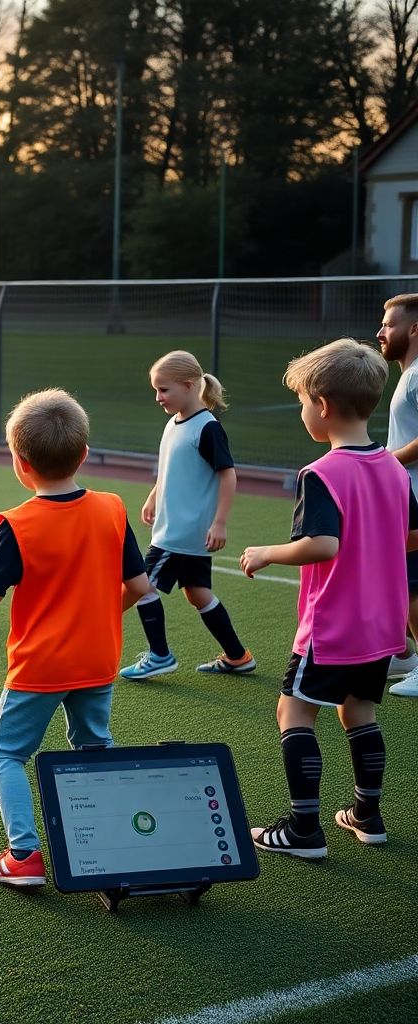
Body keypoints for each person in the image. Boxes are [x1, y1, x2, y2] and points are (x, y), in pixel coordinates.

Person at [241, 338, 418, 858]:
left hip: (333, 627)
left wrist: (267, 552)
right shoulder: (392, 466)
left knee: (292, 712)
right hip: (381, 627)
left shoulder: (321, 473)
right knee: (359, 711)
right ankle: (367, 815)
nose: (302, 411)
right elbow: (412, 535)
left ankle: (303, 830)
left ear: (321, 405)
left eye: (301, 402)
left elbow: (323, 544)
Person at [0, 388, 150, 886]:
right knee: (94, 747)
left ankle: (24, 855)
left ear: (20, 464)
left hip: (41, 665)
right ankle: (118, 843)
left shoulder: (18, 525)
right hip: (98, 659)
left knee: (7, 754)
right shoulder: (112, 508)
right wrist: (99, 615)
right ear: (84, 454)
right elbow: (139, 586)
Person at [119, 350, 255, 680]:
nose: (158, 397)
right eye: (156, 389)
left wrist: (220, 522)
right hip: (179, 529)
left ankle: (159, 655)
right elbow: (171, 467)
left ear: (190, 385)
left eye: (164, 389)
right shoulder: (174, 423)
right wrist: (154, 495)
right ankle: (238, 657)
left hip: (180, 532)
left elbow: (227, 475)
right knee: (197, 592)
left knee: (141, 586)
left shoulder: (207, 428)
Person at [378, 293, 418, 698]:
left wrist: (387, 461)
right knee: (397, 578)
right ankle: (403, 654)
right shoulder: (409, 376)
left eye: (389, 324)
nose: (381, 332)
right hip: (405, 496)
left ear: (414, 329)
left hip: (416, 499)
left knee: (412, 583)